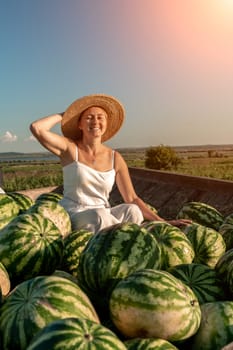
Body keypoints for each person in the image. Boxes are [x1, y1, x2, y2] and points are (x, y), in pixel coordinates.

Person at [30, 93, 191, 233]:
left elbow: (132, 198)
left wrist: (163, 222)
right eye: (88, 117)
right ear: (79, 124)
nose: (95, 121)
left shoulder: (115, 157)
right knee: (99, 216)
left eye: (100, 117)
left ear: (106, 124)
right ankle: (135, 233)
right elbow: (37, 128)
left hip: (103, 214)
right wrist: (66, 115)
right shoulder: (70, 149)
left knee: (133, 211)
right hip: (75, 213)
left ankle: (128, 234)